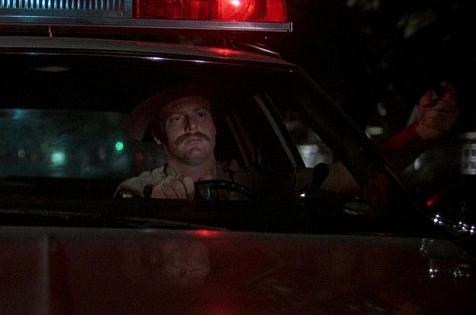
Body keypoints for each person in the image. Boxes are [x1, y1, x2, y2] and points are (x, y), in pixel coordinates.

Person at [116, 81, 458, 200]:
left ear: (215, 127)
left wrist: (420, 135)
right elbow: (128, 260)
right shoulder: (139, 190)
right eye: (177, 119)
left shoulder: (259, 182)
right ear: (159, 136)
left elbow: (355, 174)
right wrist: (157, 211)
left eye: (200, 114)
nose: (192, 126)